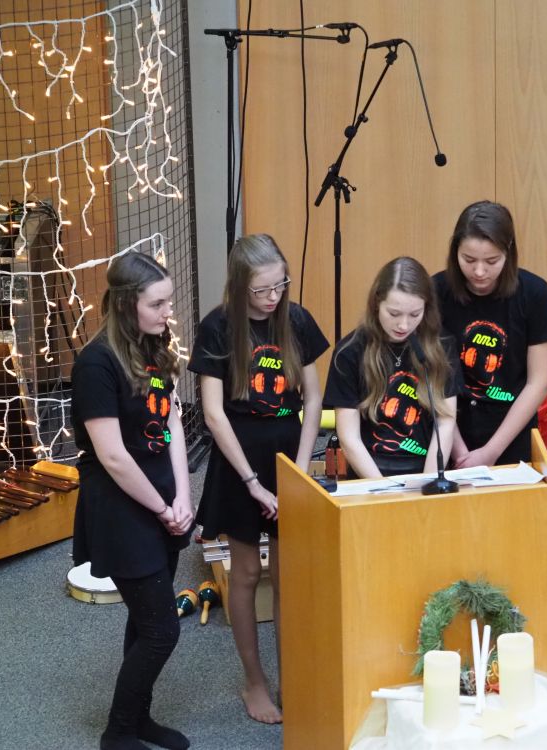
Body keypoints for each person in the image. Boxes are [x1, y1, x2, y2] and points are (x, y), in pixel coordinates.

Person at [189, 234, 327, 724]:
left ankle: (292, 676)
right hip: (239, 462)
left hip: (287, 455)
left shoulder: (297, 319)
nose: (273, 297)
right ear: (240, 286)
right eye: (262, 289)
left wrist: (300, 469)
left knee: (289, 575)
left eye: (280, 285)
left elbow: (314, 397)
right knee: (246, 574)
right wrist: (252, 482)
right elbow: (213, 413)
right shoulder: (218, 327)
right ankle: (255, 682)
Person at [71, 251, 194, 750]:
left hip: (162, 495)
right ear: (126, 304)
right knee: (162, 631)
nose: (169, 312)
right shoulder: (96, 363)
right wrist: (163, 510)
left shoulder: (154, 346)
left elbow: (172, 421)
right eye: (157, 303)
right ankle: (118, 732)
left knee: (144, 621)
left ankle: (137, 719)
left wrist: (184, 494)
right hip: (122, 507)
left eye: (169, 301)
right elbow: (113, 457)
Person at [434, 200, 547, 467]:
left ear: (509, 252)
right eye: (469, 260)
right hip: (447, 423)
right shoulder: (436, 291)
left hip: (509, 426)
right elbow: (430, 376)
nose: (479, 271)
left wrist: (490, 452)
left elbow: (539, 382)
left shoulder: (535, 293)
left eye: (491, 261)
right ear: (455, 251)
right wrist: (457, 449)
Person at [324, 256, 460, 478]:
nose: (404, 325)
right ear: (377, 303)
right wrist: (383, 489)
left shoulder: (442, 347)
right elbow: (349, 438)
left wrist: (428, 481)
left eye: (415, 314)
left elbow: (445, 422)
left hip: (425, 468)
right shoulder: (349, 351)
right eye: (394, 314)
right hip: (369, 473)